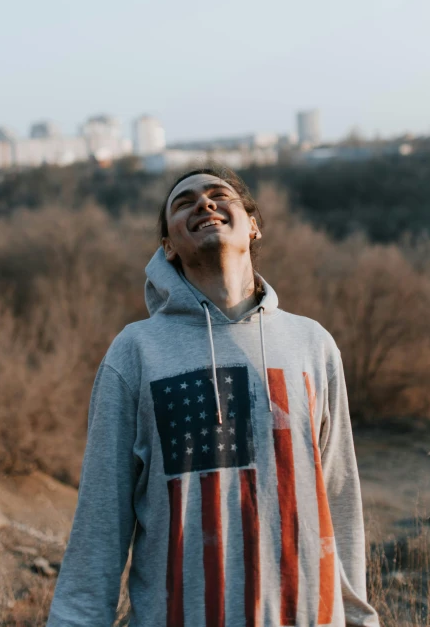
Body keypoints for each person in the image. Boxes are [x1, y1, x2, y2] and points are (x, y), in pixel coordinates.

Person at [47, 165, 380, 627]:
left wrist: (357, 617)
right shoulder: (136, 352)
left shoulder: (312, 344)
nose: (204, 204)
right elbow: (101, 517)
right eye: (184, 203)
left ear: (253, 224)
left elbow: (339, 497)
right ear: (168, 246)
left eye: (219, 195)